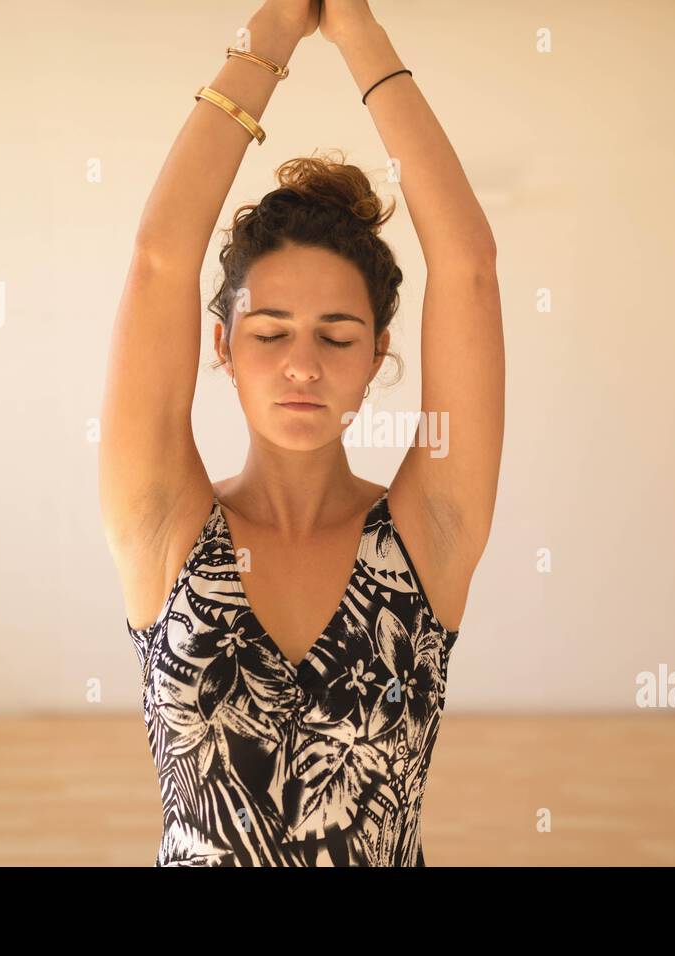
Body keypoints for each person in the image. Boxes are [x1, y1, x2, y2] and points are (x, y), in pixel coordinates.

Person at [98, 0, 503, 866]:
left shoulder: (428, 537)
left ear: (377, 355)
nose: (302, 365)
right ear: (224, 348)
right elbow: (160, 260)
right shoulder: (164, 527)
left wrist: (354, 28)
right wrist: (278, 25)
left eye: (337, 336)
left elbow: (466, 263)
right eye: (271, 332)